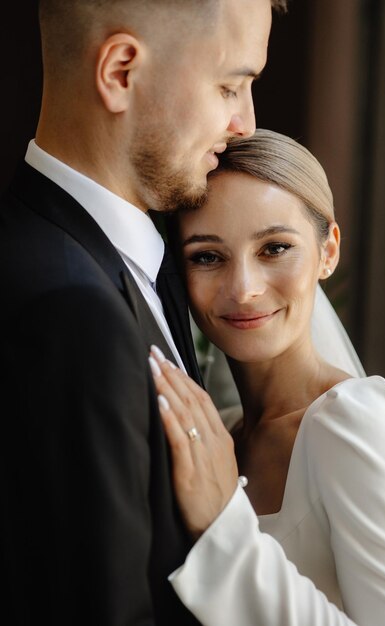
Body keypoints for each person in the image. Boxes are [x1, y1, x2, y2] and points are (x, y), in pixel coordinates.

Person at [0, 1, 281, 624]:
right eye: (230, 86)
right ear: (121, 71)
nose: (246, 124)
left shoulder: (145, 264)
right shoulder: (69, 315)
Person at [149, 129, 385, 625]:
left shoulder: (355, 423)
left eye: (274, 248)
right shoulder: (216, 434)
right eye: (207, 256)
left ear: (328, 251)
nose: (244, 289)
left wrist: (222, 529)